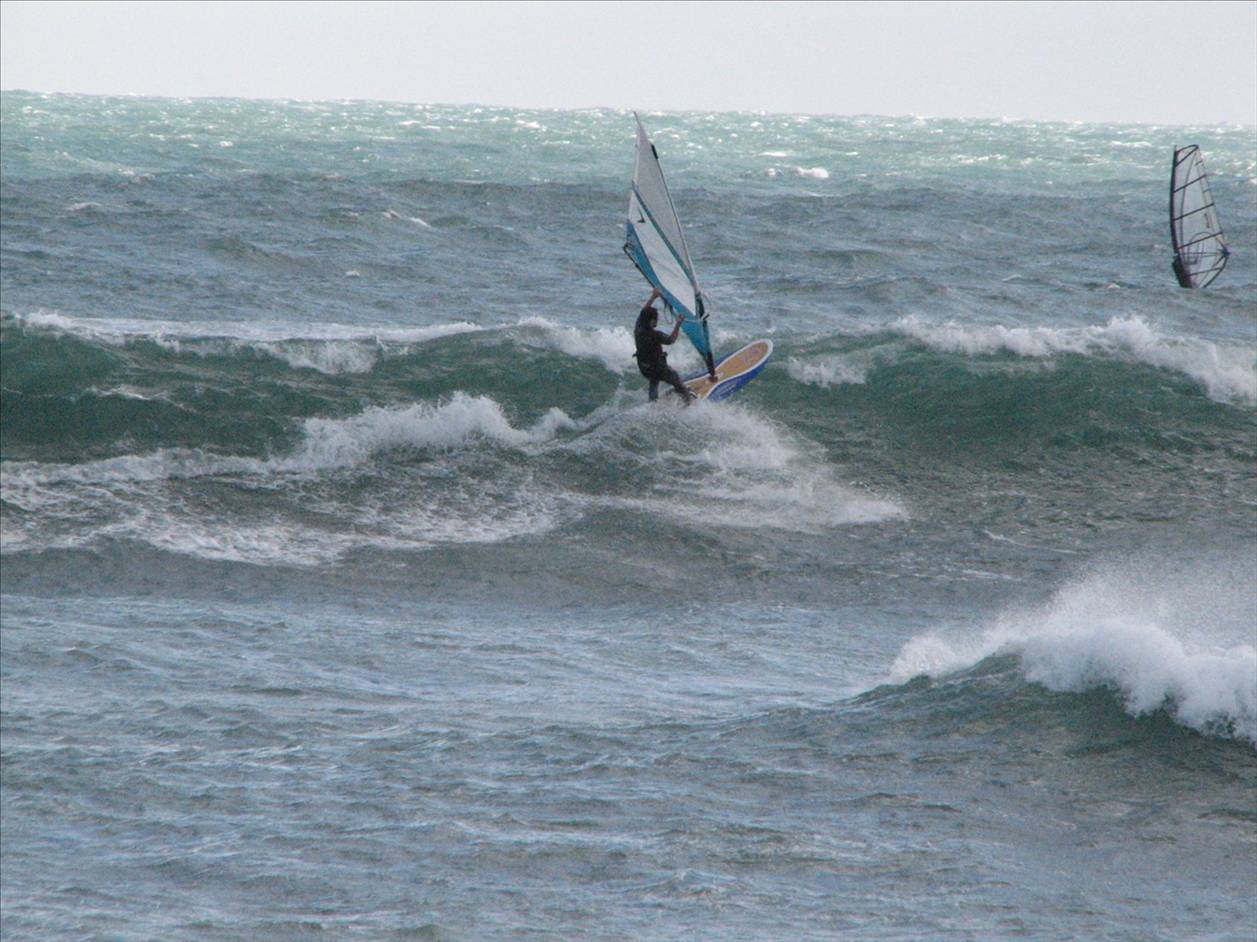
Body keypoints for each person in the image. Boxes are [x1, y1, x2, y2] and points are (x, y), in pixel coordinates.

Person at [634, 288, 696, 403]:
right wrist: (678, 323)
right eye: (655, 319)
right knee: (675, 377)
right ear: (651, 321)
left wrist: (653, 297)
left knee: (654, 378)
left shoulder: (638, 328)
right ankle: (689, 401)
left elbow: (643, 312)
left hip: (644, 367)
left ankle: (652, 402)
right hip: (657, 368)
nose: (657, 321)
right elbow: (671, 340)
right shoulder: (655, 335)